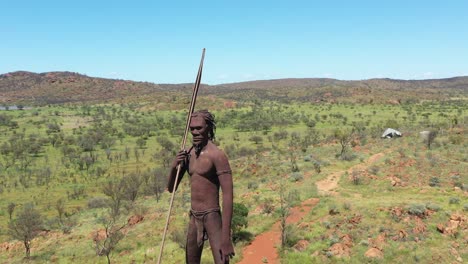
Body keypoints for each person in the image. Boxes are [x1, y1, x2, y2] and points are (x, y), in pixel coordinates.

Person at [167, 110, 235, 264]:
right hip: (194, 217)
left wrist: (226, 238)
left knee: (222, 261)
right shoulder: (189, 154)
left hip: (212, 217)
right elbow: (171, 188)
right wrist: (174, 166)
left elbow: (228, 196)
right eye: (192, 129)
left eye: (199, 128)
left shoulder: (217, 155)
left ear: (209, 128)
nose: (195, 132)